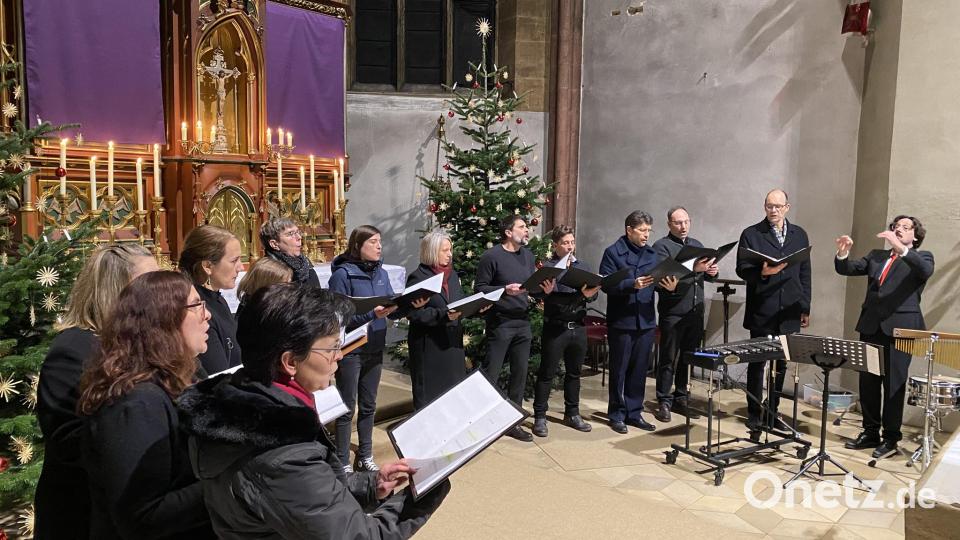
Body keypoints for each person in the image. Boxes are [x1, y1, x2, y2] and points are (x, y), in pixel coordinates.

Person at [176, 284, 449, 539]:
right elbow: (358, 534)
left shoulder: (248, 401)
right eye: (332, 346)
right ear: (290, 361)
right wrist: (426, 490)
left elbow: (306, 495)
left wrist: (371, 485)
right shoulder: (279, 453)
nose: (339, 355)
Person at [78, 271, 215, 540]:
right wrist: (231, 479)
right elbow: (143, 516)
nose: (207, 315)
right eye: (197, 305)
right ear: (164, 318)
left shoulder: (181, 376)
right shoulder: (137, 404)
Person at [35, 245, 157, 540]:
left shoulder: (139, 341)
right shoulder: (72, 350)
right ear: (114, 289)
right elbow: (66, 438)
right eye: (148, 282)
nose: (158, 290)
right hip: (80, 510)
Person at [835, 215, 934, 458]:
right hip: (871, 326)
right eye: (895, 226)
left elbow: (925, 271)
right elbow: (847, 269)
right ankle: (870, 432)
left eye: (905, 227)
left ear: (915, 236)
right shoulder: (876, 256)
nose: (898, 230)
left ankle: (890, 438)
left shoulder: (922, 257)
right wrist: (842, 253)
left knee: (893, 385)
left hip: (900, 329)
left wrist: (900, 249)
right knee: (868, 382)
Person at [735, 189, 811, 442]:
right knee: (757, 364)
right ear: (764, 207)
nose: (774, 210)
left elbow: (805, 273)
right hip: (762, 309)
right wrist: (763, 274)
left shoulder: (799, 234)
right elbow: (742, 270)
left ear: (787, 207)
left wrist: (805, 306)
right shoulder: (752, 234)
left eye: (778, 206)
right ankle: (754, 414)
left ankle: (772, 411)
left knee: (781, 365)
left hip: (789, 309)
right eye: (769, 206)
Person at [328, 225, 405, 472]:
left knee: (369, 405)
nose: (379, 246)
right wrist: (373, 314)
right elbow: (337, 317)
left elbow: (390, 303)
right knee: (346, 407)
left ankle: (365, 454)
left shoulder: (381, 273)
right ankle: (341, 460)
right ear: (358, 246)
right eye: (373, 242)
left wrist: (407, 306)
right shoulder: (343, 275)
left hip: (375, 347)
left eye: (380, 241)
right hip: (351, 349)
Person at [475, 215, 556, 442]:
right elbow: (480, 289)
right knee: (491, 372)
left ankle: (513, 421)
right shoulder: (492, 256)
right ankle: (482, 422)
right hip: (500, 322)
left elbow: (531, 288)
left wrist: (545, 291)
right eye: (521, 227)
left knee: (519, 374)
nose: (526, 230)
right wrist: (503, 290)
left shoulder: (528, 256)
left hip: (522, 321)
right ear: (508, 232)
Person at [651, 207, 718, 423]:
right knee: (668, 357)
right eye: (678, 223)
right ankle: (663, 400)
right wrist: (695, 269)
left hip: (695, 311)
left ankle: (681, 395)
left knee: (688, 357)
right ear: (669, 224)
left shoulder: (696, 245)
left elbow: (703, 276)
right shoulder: (661, 246)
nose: (683, 227)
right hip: (673, 311)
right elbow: (663, 276)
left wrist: (711, 273)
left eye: (686, 222)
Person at [600, 211, 664, 434]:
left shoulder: (652, 254)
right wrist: (630, 285)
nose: (647, 234)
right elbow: (606, 284)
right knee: (619, 370)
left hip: (645, 320)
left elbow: (657, 281)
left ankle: (634, 413)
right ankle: (616, 414)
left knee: (639, 370)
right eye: (642, 230)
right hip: (622, 320)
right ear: (629, 230)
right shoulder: (613, 253)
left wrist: (669, 285)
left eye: (649, 230)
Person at [531, 225, 598, 437]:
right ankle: (540, 416)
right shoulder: (549, 268)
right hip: (556, 327)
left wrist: (588, 294)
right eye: (565, 243)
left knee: (574, 373)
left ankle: (572, 413)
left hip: (577, 327)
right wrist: (547, 294)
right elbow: (538, 295)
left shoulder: (582, 266)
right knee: (547, 373)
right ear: (556, 246)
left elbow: (593, 294)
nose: (570, 246)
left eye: (572, 242)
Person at [406, 230, 468, 410]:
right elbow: (413, 313)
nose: (450, 254)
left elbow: (459, 301)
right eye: (445, 250)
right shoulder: (418, 277)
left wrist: (475, 307)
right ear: (432, 251)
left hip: (452, 344)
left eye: (450, 249)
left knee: (453, 393)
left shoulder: (453, 275)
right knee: (430, 397)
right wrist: (442, 316)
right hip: (429, 347)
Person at [179, 225, 244, 375]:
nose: (240, 267)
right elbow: (219, 374)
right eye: (234, 261)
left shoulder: (218, 300)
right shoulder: (198, 310)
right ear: (208, 266)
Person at [260, 217, 321, 287]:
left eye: (298, 232)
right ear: (274, 244)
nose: (299, 237)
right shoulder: (267, 271)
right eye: (290, 233)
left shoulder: (305, 264)